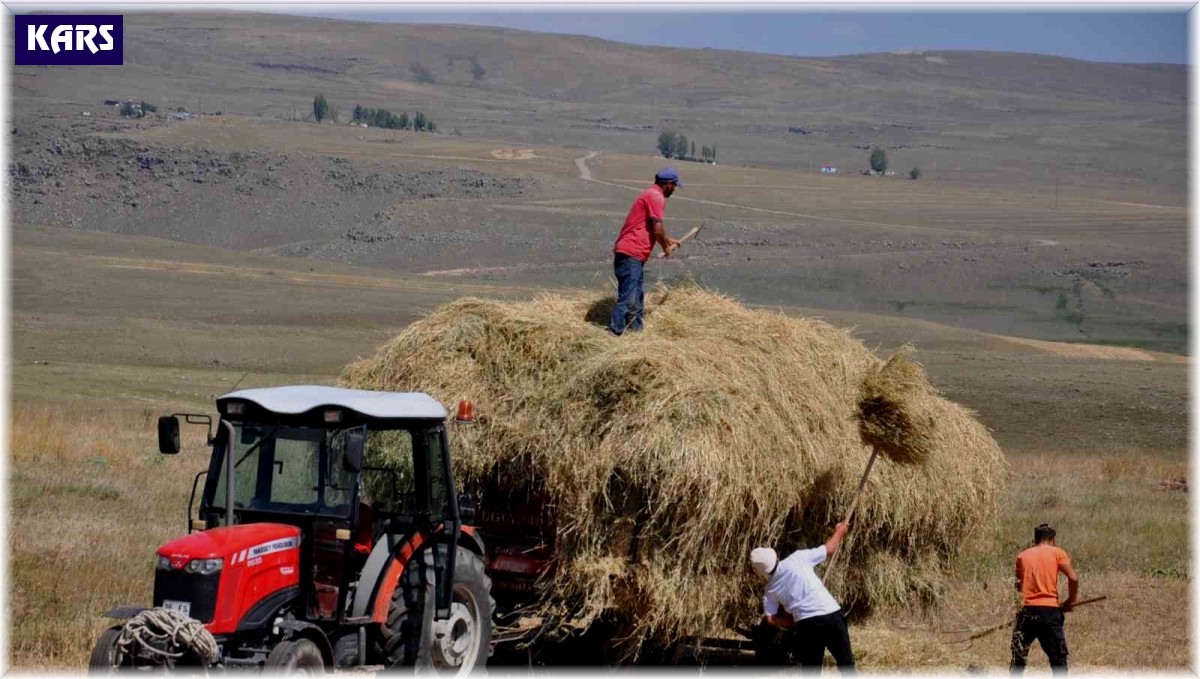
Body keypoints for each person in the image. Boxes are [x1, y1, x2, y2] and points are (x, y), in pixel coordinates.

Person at [750, 522, 855, 673]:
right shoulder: (797, 558)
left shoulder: (769, 590)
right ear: (775, 555)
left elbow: (770, 618)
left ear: (761, 571)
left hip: (806, 625)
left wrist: (792, 622)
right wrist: (840, 531)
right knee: (846, 664)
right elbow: (830, 548)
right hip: (830, 615)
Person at [608, 167, 683, 335]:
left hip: (634, 255)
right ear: (668, 184)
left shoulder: (650, 194)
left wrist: (669, 240)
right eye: (675, 185)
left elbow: (650, 227)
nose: (675, 189)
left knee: (637, 297)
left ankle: (636, 333)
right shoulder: (656, 197)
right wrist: (665, 247)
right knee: (628, 298)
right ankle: (614, 333)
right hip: (630, 254)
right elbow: (657, 230)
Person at [1010, 523, 1079, 675]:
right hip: (1049, 612)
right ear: (1053, 539)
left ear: (1035, 540)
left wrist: (1019, 613)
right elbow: (1073, 578)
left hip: (1026, 611)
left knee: (1018, 660)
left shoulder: (1022, 556)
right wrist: (1070, 601)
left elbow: (1017, 588)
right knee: (1058, 662)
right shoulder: (1057, 553)